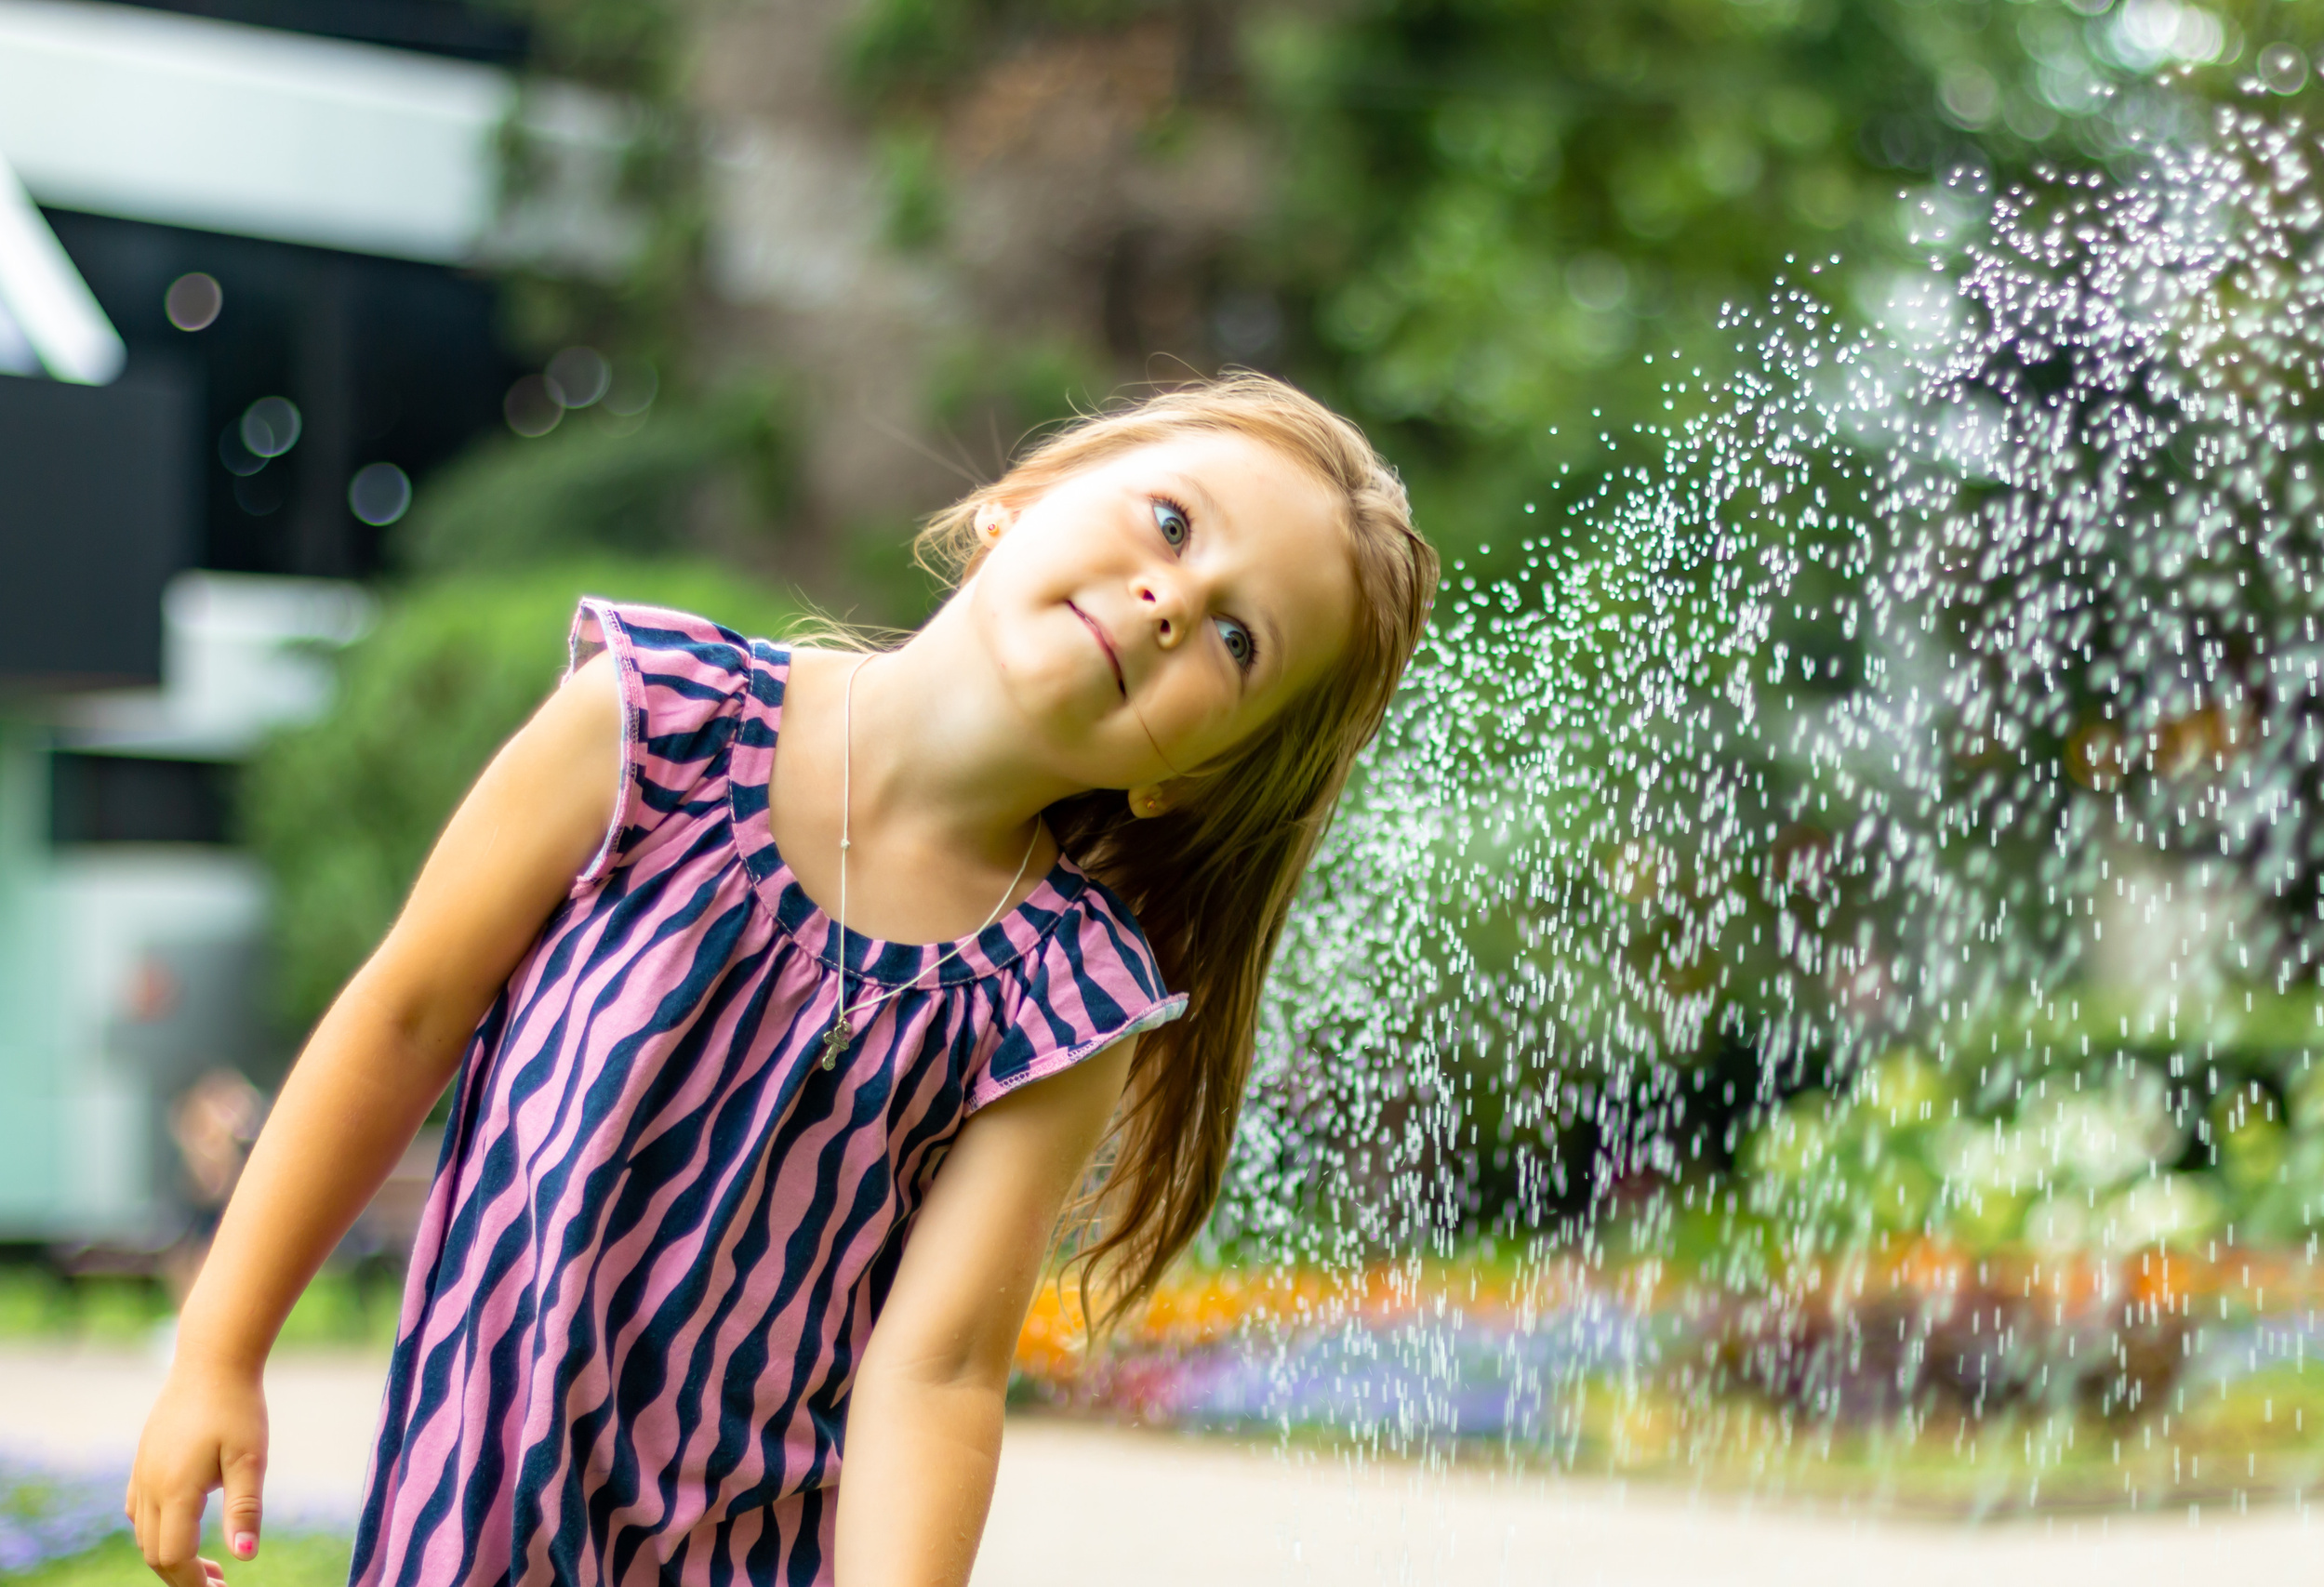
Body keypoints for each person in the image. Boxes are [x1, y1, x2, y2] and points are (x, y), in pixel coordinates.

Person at [125, 372, 1438, 1587]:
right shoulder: (652, 725)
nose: (1172, 601)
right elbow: (403, 1018)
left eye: (1239, 640)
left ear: (1190, 777)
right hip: (467, 1526)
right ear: (1018, 505)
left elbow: (938, 1375)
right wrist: (219, 1351)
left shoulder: (1062, 999)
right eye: (1172, 523)